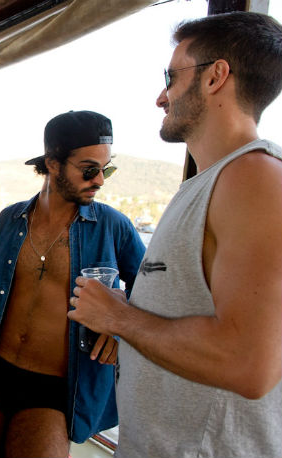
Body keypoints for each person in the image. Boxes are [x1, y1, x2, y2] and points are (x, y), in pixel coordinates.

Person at [69, 12, 282, 458]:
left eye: (171, 77)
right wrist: (129, 309)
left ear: (215, 77)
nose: (160, 97)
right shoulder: (211, 182)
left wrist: (118, 318)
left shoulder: (256, 179)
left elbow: (248, 363)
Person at [0, 110, 146, 457]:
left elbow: (155, 290)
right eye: (89, 170)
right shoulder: (9, 220)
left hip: (53, 390)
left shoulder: (113, 227)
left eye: (106, 170)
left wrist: (120, 325)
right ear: (53, 163)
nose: (100, 181)